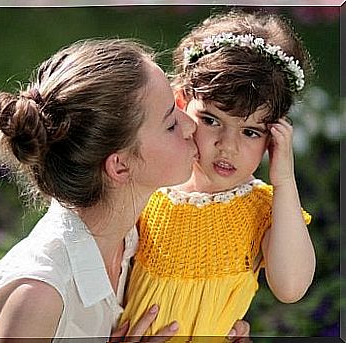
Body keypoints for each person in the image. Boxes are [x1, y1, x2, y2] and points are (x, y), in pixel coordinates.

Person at [0, 38, 249, 342]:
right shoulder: (40, 295)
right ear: (119, 167)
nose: (190, 126)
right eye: (171, 123)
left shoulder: (137, 236)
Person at [120, 10, 316, 340]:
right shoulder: (148, 186)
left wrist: (283, 180)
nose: (227, 147)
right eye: (211, 121)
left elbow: (291, 286)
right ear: (181, 104)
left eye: (251, 132)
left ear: (274, 136)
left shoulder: (261, 209)